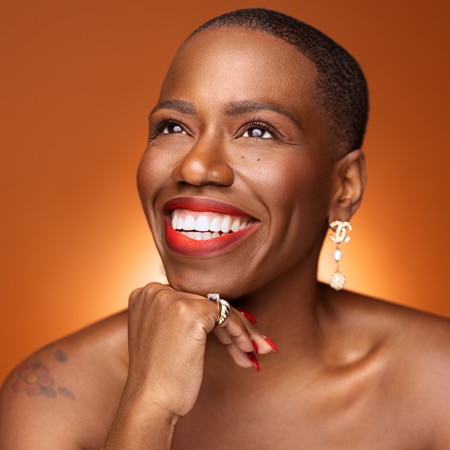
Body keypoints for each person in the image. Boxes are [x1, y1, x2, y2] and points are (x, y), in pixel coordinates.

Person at [1, 7, 450, 449]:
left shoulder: (437, 385)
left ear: (344, 187)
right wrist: (149, 406)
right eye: (173, 127)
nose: (195, 166)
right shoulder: (53, 399)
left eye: (258, 132)